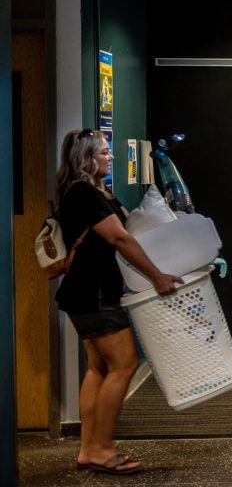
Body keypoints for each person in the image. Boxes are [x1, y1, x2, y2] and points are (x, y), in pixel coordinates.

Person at [55, 129, 183, 475]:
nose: (110, 157)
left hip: (83, 292)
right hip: (95, 294)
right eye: (103, 153)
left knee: (98, 369)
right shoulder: (84, 192)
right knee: (124, 364)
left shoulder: (88, 191)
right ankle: (101, 448)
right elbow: (120, 238)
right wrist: (157, 276)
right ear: (85, 158)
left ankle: (88, 448)